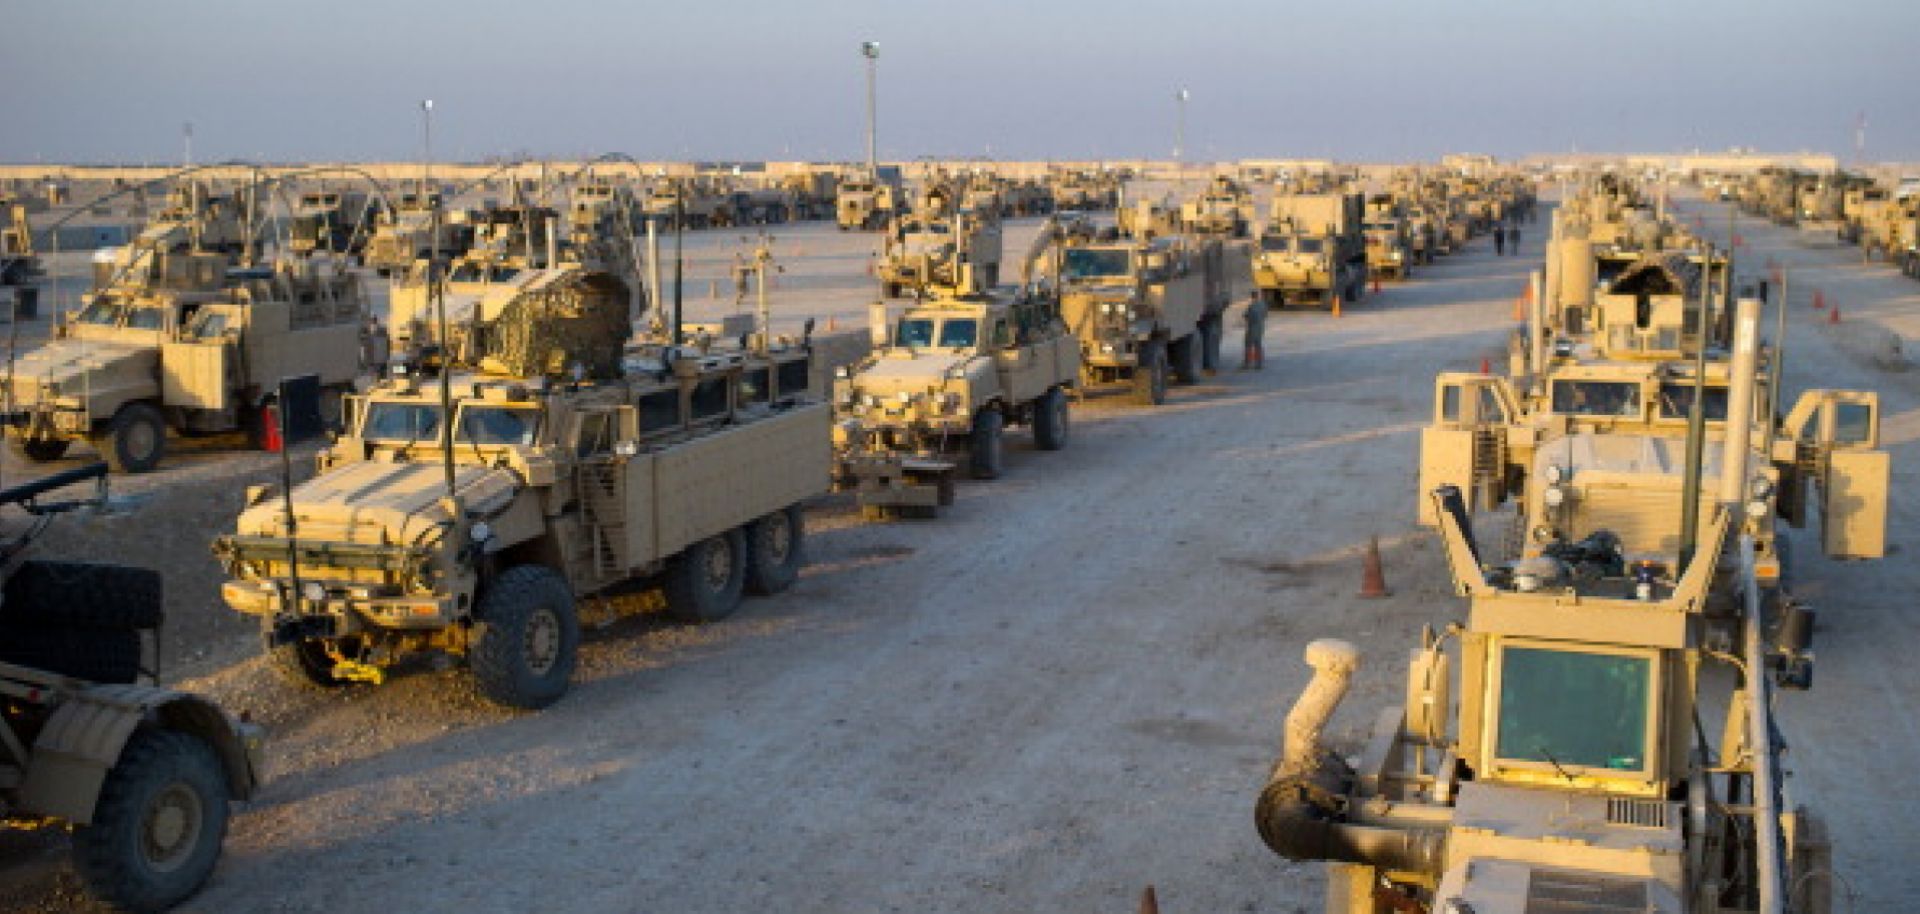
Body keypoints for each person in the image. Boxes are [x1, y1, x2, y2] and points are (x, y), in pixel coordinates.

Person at [1242, 293, 1268, 370]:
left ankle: (1247, 363)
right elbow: (1265, 315)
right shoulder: (1263, 305)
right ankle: (1258, 364)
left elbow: (1247, 316)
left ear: (1252, 297)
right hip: (1260, 328)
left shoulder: (1251, 306)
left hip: (1252, 328)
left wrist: (1246, 317)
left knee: (1248, 346)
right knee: (1258, 346)